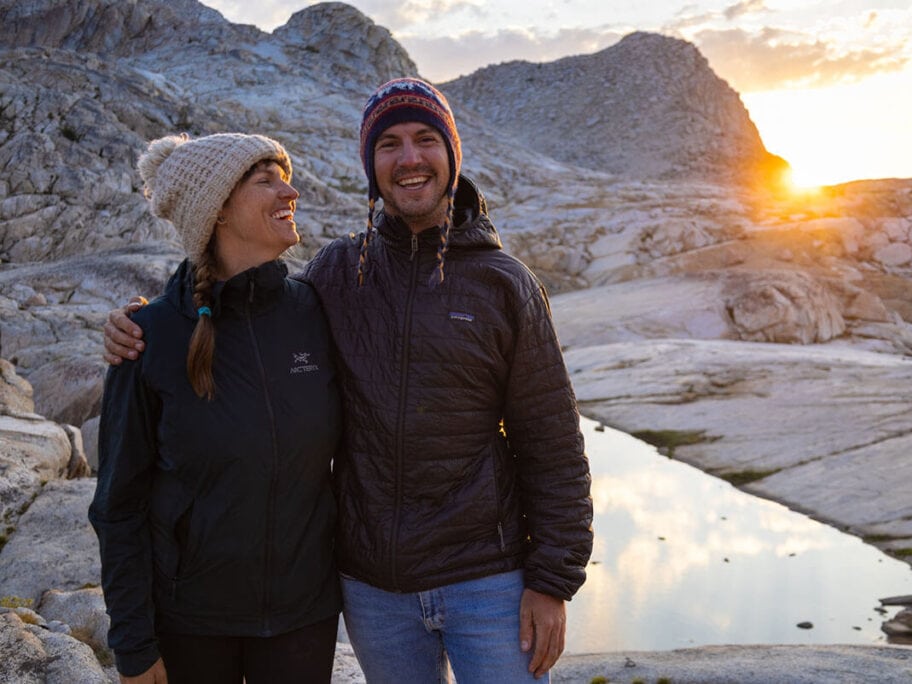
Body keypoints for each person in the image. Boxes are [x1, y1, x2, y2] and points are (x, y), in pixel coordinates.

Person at [104, 78, 593, 682]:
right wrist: (147, 320)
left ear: (451, 154)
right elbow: (234, 298)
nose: (409, 158)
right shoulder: (335, 276)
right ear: (371, 166)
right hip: (373, 593)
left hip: (486, 580)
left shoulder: (504, 284)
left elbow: (552, 441)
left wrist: (553, 579)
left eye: (425, 139)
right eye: (389, 144)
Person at [90, 133, 343, 684]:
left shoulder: (314, 310)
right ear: (218, 211)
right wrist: (133, 644)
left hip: (305, 618)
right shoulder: (148, 336)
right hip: (191, 625)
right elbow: (118, 504)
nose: (291, 191)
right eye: (266, 180)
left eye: (285, 176)